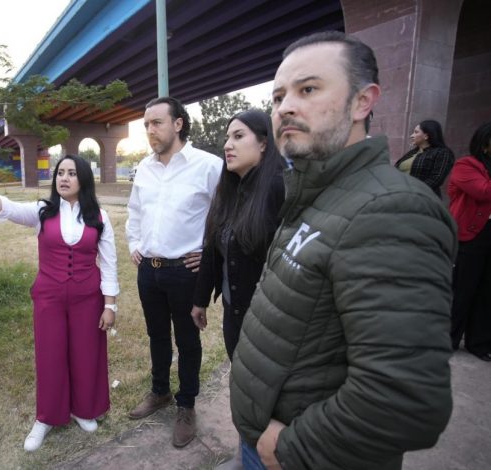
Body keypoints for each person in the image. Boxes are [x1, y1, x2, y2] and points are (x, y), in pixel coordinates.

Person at [229, 31, 456, 470]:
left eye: (308, 89)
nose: (285, 107)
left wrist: (293, 447)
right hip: (262, 442)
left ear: (362, 102)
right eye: (278, 97)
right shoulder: (314, 191)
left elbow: (405, 401)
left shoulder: (391, 209)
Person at [0, 154, 118, 452]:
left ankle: (83, 409)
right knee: (50, 354)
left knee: (86, 353)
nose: (64, 178)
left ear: (84, 180)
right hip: (49, 297)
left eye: (71, 173)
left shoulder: (100, 217)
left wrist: (110, 305)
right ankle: (47, 417)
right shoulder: (42, 210)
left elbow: (109, 264)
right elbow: (9, 209)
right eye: (60, 173)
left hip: (87, 298)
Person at [125, 96, 222, 448]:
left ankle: (187, 405)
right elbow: (135, 212)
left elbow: (224, 214)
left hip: (185, 271)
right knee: (157, 336)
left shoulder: (208, 166)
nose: (150, 130)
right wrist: (133, 242)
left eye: (156, 122)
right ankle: (160, 392)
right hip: (148, 270)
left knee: (187, 339)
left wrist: (209, 252)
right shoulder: (144, 168)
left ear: (177, 124)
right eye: (146, 124)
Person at [191, 110, 284, 361]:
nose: (227, 145)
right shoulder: (228, 192)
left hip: (270, 321)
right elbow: (213, 250)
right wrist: (200, 299)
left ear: (264, 143)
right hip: (233, 315)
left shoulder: (280, 188)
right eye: (227, 138)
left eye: (238, 136)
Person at [447, 121, 491, 361]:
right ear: (485, 144)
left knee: (486, 292)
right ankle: (448, 338)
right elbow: (483, 191)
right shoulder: (466, 165)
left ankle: (479, 343)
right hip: (471, 235)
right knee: (462, 288)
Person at [394, 119, 455, 197]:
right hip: (401, 195)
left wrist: (413, 191)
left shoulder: (442, 153)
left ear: (426, 136)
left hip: (422, 199)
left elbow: (436, 179)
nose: (411, 135)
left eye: (416, 132)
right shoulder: (413, 152)